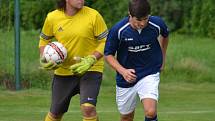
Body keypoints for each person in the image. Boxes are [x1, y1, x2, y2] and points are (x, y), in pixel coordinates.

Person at [39, 0, 108, 121]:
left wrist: (92, 59)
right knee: (55, 113)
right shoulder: (52, 17)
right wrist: (44, 57)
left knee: (88, 108)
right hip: (63, 72)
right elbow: (44, 40)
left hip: (90, 69)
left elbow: (105, 41)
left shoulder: (94, 15)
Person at [104, 0, 169, 121]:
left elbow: (165, 35)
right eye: (138, 20)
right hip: (126, 78)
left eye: (146, 19)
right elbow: (108, 55)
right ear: (130, 14)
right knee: (126, 117)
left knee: (151, 112)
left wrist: (163, 58)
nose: (143, 23)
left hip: (149, 71)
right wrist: (123, 71)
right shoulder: (118, 30)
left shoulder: (157, 24)